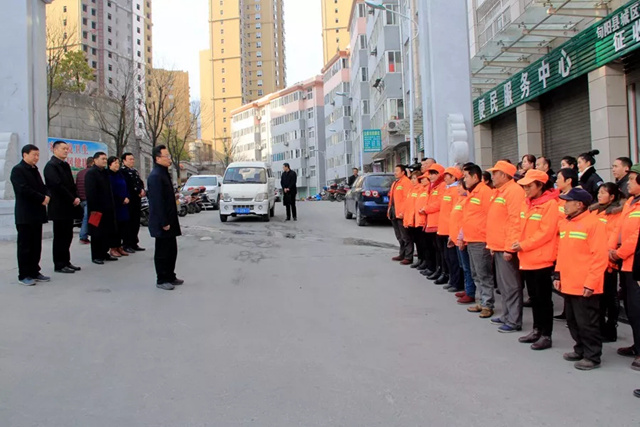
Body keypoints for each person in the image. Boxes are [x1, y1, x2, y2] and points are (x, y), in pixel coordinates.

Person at [555, 188, 608, 370]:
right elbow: (562, 252)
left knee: (587, 322)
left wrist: (591, 283)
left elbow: (600, 257)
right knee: (572, 320)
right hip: (569, 282)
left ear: (579, 205)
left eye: (568, 202)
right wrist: (558, 274)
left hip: (585, 284)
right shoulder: (566, 223)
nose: (564, 205)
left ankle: (592, 356)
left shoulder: (593, 224)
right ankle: (580, 349)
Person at [513, 169, 559, 351]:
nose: (525, 189)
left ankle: (546, 335)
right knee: (534, 297)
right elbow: (519, 226)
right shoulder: (527, 203)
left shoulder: (550, 205)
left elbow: (546, 232)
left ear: (540, 185)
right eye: (524, 186)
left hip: (541, 259)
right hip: (526, 257)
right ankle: (536, 330)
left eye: (529, 186)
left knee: (543, 299)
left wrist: (523, 244)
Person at [486, 161, 526, 333]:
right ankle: (506, 315)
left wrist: (510, 247)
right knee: (503, 285)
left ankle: (514, 320)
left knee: (511, 285)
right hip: (498, 245)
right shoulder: (500, 191)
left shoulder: (514, 191)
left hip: (506, 246)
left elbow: (515, 221)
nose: (493, 176)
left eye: (495, 173)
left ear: (504, 175)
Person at [609, 163, 640, 370]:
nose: (628, 183)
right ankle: (637, 345)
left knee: (638, 309)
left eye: (631, 179)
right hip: (626, 264)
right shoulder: (630, 202)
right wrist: (611, 249)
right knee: (631, 308)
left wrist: (619, 253)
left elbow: (636, 237)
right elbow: (618, 229)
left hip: (636, 264)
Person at [10, 145, 51, 286]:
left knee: (36, 245)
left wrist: (47, 195)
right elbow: (23, 189)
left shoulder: (34, 170)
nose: (37, 158)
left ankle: (34, 271)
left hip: (37, 214)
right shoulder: (18, 170)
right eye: (34, 155)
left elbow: (42, 186)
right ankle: (24, 275)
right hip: (25, 214)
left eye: (38, 155)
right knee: (25, 246)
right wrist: (41, 198)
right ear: (25, 155)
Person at [460, 163, 496, 318]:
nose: (464, 180)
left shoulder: (484, 192)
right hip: (471, 239)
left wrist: (490, 239)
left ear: (475, 176)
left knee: (484, 274)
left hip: (481, 240)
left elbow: (491, 217)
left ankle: (488, 304)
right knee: (475, 273)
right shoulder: (472, 193)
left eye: (466, 176)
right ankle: (481, 301)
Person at [589, 183, 623, 342]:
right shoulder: (594, 211)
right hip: (594, 259)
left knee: (609, 296)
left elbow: (613, 236)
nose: (599, 195)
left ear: (612, 197)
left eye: (603, 193)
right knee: (598, 297)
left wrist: (607, 254)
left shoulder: (616, 213)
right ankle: (600, 326)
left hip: (608, 261)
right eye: (599, 192)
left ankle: (611, 327)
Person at [148, 145, 183, 291]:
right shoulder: (155, 176)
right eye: (166, 156)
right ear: (157, 158)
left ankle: (170, 275)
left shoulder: (164, 173)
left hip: (170, 219)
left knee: (171, 250)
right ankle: (161, 279)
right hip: (163, 221)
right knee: (162, 251)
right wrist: (164, 222)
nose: (169, 159)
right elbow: (157, 202)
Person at [44, 140, 81, 274]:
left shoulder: (65, 165)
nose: (66, 151)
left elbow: (71, 184)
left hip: (68, 206)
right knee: (60, 236)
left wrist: (76, 196)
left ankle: (66, 261)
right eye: (63, 148)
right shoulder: (51, 166)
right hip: (59, 206)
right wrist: (72, 198)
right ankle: (59, 264)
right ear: (55, 150)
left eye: (67, 149)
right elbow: (57, 185)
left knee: (67, 235)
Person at [85, 152, 118, 265]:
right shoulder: (91, 173)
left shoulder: (105, 173)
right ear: (95, 160)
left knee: (106, 232)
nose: (105, 161)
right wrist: (94, 209)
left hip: (107, 208)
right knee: (96, 233)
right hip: (96, 209)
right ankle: (96, 255)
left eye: (105, 159)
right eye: (103, 159)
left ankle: (104, 252)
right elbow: (90, 193)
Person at [439, 167, 464, 293]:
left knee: (454, 258)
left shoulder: (455, 192)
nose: (445, 177)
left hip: (451, 229)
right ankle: (452, 280)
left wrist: (452, 231)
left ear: (454, 177)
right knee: (448, 257)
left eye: (447, 175)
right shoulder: (447, 189)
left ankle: (457, 282)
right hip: (444, 228)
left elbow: (456, 214)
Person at [451, 181, 477, 304]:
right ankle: (467, 289)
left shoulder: (467, 200)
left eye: (460, 186)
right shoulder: (460, 200)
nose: (458, 188)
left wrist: (461, 237)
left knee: (468, 267)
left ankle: (470, 292)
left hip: (464, 239)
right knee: (464, 266)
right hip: (458, 237)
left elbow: (465, 221)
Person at [423, 164, 447, 283]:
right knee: (436, 248)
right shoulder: (434, 186)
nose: (431, 176)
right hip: (432, 220)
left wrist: (426, 209)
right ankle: (438, 269)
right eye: (430, 174)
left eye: (433, 174)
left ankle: (443, 271)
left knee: (440, 250)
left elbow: (439, 203)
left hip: (438, 222)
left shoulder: (442, 186)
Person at [121, 152, 146, 252]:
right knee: (128, 223)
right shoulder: (123, 172)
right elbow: (128, 185)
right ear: (124, 161)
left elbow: (140, 182)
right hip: (129, 200)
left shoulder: (134, 171)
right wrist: (137, 190)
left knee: (136, 222)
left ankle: (134, 242)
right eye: (130, 159)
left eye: (133, 159)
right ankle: (127, 244)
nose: (132, 161)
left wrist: (142, 190)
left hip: (137, 199)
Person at [389, 165, 413, 264]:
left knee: (405, 236)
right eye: (394, 170)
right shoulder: (396, 182)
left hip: (401, 213)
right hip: (394, 211)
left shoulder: (406, 182)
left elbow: (407, 199)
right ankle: (402, 253)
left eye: (397, 171)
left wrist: (403, 212)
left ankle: (408, 256)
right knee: (399, 235)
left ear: (403, 172)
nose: (395, 172)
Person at [107, 156, 130, 258]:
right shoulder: (108, 175)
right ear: (109, 165)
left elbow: (126, 187)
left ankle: (119, 246)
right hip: (115, 205)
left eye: (118, 163)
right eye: (115, 163)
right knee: (114, 227)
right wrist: (121, 199)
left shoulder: (120, 174)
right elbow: (111, 191)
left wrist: (127, 197)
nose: (117, 165)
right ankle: (113, 247)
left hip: (124, 205)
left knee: (123, 226)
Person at [403, 171, 421, 268]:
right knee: (416, 240)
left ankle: (422, 260)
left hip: (415, 220)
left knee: (420, 241)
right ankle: (420, 260)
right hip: (410, 219)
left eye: (415, 178)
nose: (413, 180)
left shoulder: (420, 190)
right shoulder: (411, 190)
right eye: (412, 178)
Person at [76, 157, 94, 244]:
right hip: (89, 199)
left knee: (86, 217)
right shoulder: (92, 173)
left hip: (81, 199)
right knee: (87, 218)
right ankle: (83, 236)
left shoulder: (80, 173)